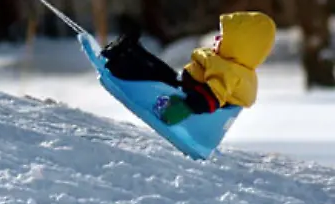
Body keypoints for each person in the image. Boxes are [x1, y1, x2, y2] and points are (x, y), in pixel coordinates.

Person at [101, 11, 276, 124]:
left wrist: (184, 109)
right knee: (160, 71)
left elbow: (211, 97)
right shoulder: (230, 66)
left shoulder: (231, 73)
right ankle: (129, 50)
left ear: (240, 45)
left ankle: (119, 61)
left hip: (184, 101)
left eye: (223, 37)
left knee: (152, 75)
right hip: (182, 87)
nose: (216, 39)